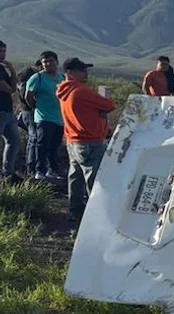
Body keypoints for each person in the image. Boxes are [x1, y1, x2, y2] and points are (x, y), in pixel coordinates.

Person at [56, 58, 116, 222]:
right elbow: (109, 105)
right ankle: (96, 215)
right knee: (95, 179)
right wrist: (101, 113)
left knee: (75, 177)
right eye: (81, 70)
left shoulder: (63, 90)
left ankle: (75, 210)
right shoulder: (82, 91)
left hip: (73, 140)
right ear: (70, 73)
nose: (85, 73)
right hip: (90, 141)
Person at [25, 51, 66, 183]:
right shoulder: (37, 78)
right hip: (43, 117)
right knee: (42, 144)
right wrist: (36, 108)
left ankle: (53, 169)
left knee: (55, 145)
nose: (48, 64)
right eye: (45, 62)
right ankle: (39, 170)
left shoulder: (62, 78)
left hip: (59, 117)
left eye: (51, 61)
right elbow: (28, 96)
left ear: (57, 62)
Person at [0, 40, 24, 182]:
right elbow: (8, 89)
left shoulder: (3, 69)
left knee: (14, 141)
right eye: (0, 51)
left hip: (8, 111)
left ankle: (7, 171)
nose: (3, 55)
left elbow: (13, 88)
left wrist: (13, 71)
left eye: (4, 51)